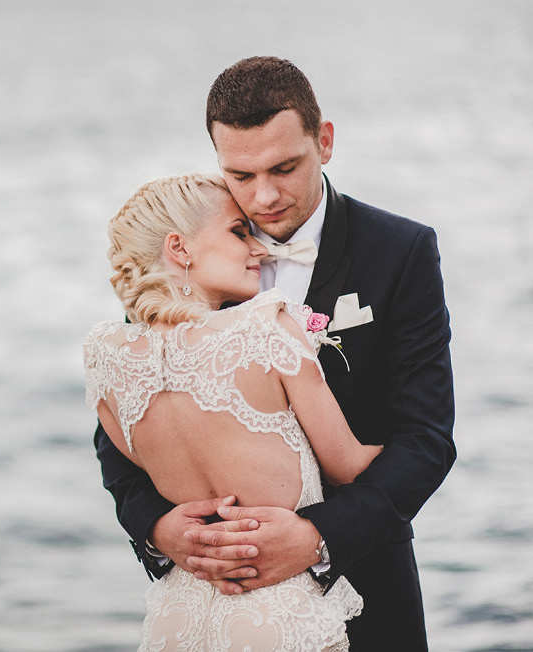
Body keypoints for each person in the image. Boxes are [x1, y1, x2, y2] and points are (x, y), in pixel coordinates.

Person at [93, 56, 455, 651]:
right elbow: (124, 429)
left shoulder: (400, 250)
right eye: (239, 175)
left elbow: (426, 439)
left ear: (325, 142)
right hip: (214, 596)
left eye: (284, 168)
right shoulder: (177, 263)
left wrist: (318, 538)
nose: (263, 196)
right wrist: (160, 528)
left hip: (366, 580)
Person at [84, 173, 381, 651]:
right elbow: (347, 468)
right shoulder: (266, 329)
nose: (258, 248)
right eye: (239, 232)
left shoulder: (105, 357)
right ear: (179, 248)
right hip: (277, 621)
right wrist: (411, 439)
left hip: (176, 622)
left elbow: (134, 465)